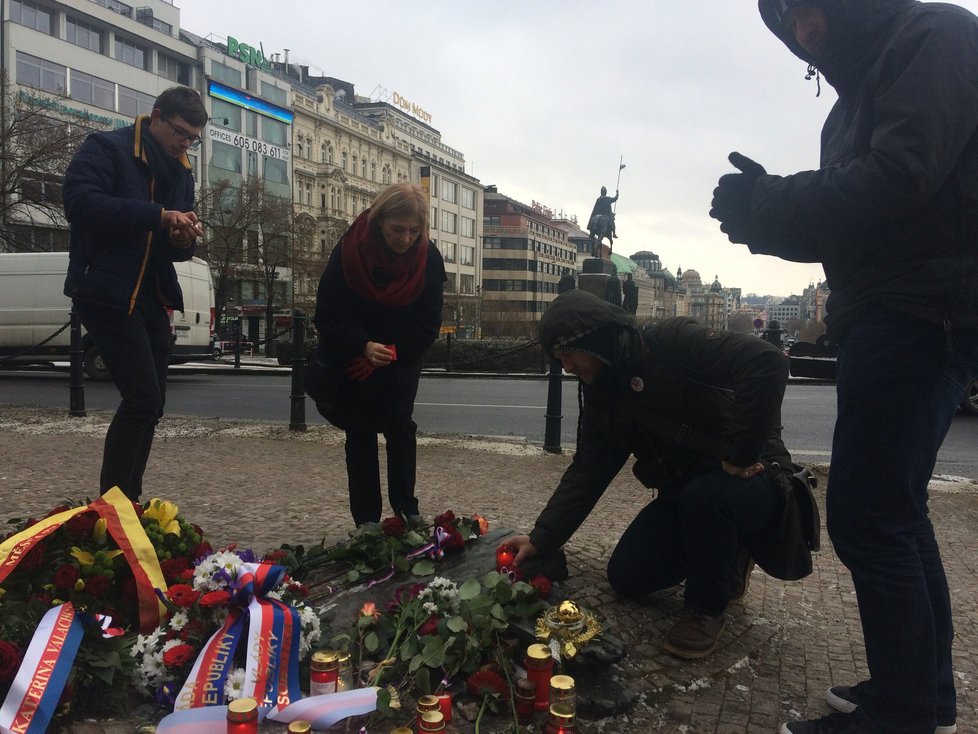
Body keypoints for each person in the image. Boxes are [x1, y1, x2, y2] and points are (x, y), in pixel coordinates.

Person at [710, 1, 978, 732]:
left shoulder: (934, 33)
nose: (800, 22)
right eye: (784, 13)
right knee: (893, 510)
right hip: (898, 306)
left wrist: (774, 199)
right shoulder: (856, 99)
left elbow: (897, 179)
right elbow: (858, 225)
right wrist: (762, 217)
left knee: (869, 515)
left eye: (809, 2)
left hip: (921, 309)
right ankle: (918, 693)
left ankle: (905, 710)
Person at [501, 289, 802, 660]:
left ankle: (706, 608)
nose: (566, 367)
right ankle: (719, 552)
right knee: (628, 577)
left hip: (751, 481)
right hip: (685, 494)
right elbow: (588, 472)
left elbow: (767, 362)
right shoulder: (601, 393)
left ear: (591, 340)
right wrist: (541, 538)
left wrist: (743, 453)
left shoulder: (670, 342)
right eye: (558, 360)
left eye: (567, 355)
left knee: (707, 498)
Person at [62, 86, 207, 501]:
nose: (184, 143)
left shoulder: (181, 171)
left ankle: (129, 502)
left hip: (152, 294)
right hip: (105, 288)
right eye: (179, 132)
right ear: (156, 117)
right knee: (142, 397)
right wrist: (158, 216)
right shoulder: (107, 147)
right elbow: (80, 203)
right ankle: (114, 506)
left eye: (192, 138)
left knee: (153, 404)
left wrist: (182, 238)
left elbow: (177, 247)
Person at [312, 183, 445, 528]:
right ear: (379, 221)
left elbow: (428, 321)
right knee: (360, 433)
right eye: (397, 230)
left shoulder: (428, 258)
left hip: (400, 357)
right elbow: (329, 311)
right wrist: (363, 346)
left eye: (414, 231)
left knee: (401, 426)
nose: (405, 239)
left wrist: (390, 352)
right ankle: (367, 520)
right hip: (356, 357)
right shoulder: (349, 251)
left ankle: (407, 508)